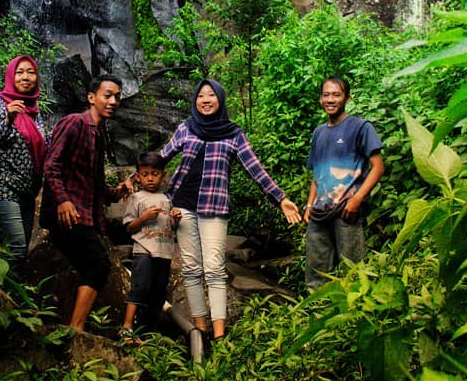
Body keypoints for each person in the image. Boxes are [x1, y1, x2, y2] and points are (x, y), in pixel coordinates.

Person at [160, 78, 301, 340]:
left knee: (214, 268)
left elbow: (254, 168)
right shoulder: (186, 128)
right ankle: (199, 330)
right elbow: (160, 158)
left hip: (214, 206)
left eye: (211, 95)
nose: (205, 100)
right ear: (195, 101)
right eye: (201, 95)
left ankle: (219, 334)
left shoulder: (233, 134)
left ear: (220, 99)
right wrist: (135, 181)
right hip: (182, 205)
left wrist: (280, 198)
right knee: (190, 268)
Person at [41, 75, 124, 332]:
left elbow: (95, 186)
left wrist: (115, 193)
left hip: (83, 214)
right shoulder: (74, 123)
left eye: (117, 97)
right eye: (107, 95)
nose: (113, 101)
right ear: (91, 97)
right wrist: (63, 200)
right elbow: (51, 164)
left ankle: (73, 326)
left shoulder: (98, 135)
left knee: (92, 265)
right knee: (98, 263)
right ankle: (76, 328)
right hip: (67, 212)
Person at [304, 76, 384, 290]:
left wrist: (357, 199)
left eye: (336, 95)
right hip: (319, 213)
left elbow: (378, 167)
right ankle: (317, 315)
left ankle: (354, 317)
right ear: (321, 99)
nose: (331, 99)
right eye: (326, 94)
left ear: (347, 98)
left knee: (353, 271)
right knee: (315, 273)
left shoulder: (360, 127)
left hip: (346, 211)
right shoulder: (319, 133)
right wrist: (309, 205)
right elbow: (316, 175)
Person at [0, 55, 48, 267]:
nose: (26, 77)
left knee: (21, 252)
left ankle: (8, 296)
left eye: (31, 72)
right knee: (16, 249)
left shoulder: (33, 110)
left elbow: (43, 147)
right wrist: (7, 120)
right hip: (0, 187)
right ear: (10, 76)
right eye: (20, 72)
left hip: (25, 192)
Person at [119, 152, 180, 344]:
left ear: (163, 175)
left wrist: (175, 219)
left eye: (154, 173)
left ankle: (148, 332)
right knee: (139, 288)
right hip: (143, 250)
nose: (150, 178)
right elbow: (128, 227)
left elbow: (171, 227)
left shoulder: (167, 199)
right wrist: (144, 218)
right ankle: (127, 327)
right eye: (145, 174)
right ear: (138, 177)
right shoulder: (136, 198)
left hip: (164, 251)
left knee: (158, 292)